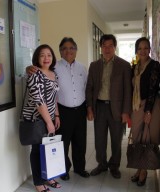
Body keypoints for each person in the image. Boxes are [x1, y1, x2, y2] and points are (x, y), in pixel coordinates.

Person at [26, 37, 90, 180]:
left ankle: (80, 168)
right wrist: (28, 67)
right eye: (64, 48)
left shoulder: (82, 68)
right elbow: (39, 73)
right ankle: (64, 170)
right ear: (60, 52)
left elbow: (86, 88)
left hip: (80, 110)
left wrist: (88, 108)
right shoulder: (55, 68)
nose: (68, 51)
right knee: (63, 142)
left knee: (80, 141)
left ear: (76, 50)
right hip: (62, 110)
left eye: (71, 48)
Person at [86, 34, 132, 179]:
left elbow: (128, 91)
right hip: (99, 107)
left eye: (110, 46)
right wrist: (89, 108)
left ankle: (114, 166)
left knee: (116, 139)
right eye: (104, 46)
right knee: (99, 139)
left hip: (117, 109)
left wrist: (126, 112)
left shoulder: (124, 65)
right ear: (100, 47)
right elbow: (89, 88)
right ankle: (102, 164)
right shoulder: (94, 66)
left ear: (115, 47)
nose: (107, 49)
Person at [22, 44, 61, 192]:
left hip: (49, 117)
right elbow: (39, 101)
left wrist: (56, 115)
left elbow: (54, 97)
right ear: (37, 58)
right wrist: (48, 122)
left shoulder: (53, 73)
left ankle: (48, 176)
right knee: (37, 150)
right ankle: (38, 183)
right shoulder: (35, 74)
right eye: (42, 55)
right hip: (36, 119)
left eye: (49, 55)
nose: (46, 58)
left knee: (48, 148)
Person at [129, 37, 160, 186]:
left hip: (150, 106)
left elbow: (153, 90)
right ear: (136, 50)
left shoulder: (155, 65)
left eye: (146, 47)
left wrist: (148, 111)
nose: (143, 51)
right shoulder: (134, 67)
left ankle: (144, 170)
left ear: (149, 49)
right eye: (140, 48)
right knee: (137, 138)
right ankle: (139, 167)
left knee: (146, 138)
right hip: (136, 107)